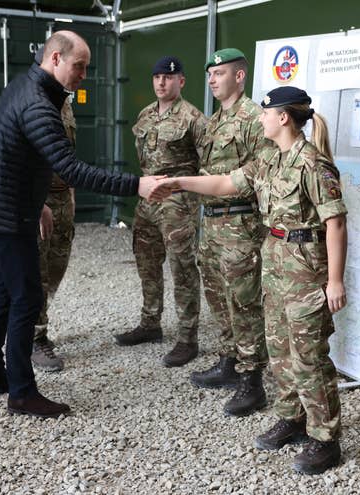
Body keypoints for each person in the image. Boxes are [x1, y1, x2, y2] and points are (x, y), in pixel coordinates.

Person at [149, 86, 348, 475]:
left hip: (306, 271)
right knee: (278, 351)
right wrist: (179, 183)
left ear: (283, 118)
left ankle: (325, 439)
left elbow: (335, 223)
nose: (260, 118)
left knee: (309, 356)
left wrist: (335, 281)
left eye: (265, 113)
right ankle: (293, 419)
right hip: (275, 265)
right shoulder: (269, 161)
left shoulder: (312, 164)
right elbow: (225, 184)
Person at [0, 30, 166, 419]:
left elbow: (21, 156)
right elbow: (70, 168)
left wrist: (39, 200)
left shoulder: (27, 86)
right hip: (10, 217)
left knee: (5, 292)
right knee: (26, 299)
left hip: (4, 208)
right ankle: (22, 393)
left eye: (87, 67)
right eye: (79, 66)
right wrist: (137, 185)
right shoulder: (39, 104)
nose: (83, 75)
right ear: (56, 59)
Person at [188, 48, 274, 417]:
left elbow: (263, 168)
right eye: (209, 74)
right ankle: (229, 361)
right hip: (211, 224)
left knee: (244, 302)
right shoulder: (213, 122)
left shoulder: (254, 118)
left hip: (240, 224)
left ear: (239, 76)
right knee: (218, 297)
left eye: (218, 73)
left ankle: (252, 381)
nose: (211, 80)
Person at [114, 56, 206, 368]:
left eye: (168, 78)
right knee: (147, 263)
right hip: (147, 202)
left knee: (182, 268)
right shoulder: (145, 116)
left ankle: (187, 338)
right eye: (156, 77)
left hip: (177, 204)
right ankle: (150, 323)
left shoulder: (193, 118)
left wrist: (191, 199)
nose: (161, 83)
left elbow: (206, 166)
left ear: (181, 81)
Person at [31, 48, 78, 373]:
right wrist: (34, 203)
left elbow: (67, 155)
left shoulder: (65, 104)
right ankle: (35, 338)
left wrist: (71, 196)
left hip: (63, 198)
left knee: (57, 267)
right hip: (39, 200)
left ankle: (35, 325)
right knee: (37, 271)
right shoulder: (33, 102)